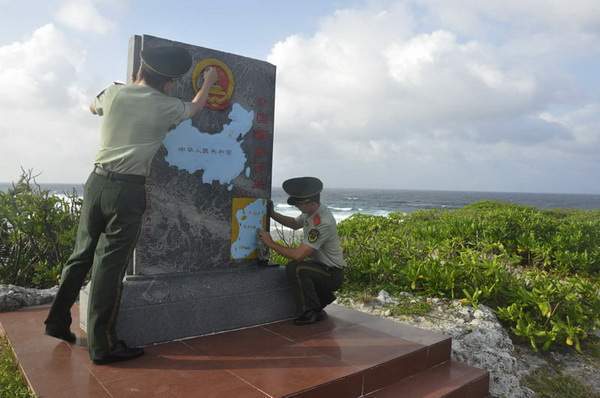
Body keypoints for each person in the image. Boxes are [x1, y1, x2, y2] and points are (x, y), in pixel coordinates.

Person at [44, 46, 219, 365]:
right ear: (168, 83)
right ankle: (102, 345)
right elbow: (194, 109)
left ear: (140, 70)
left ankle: (57, 320)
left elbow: (90, 105)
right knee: (109, 267)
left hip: (96, 183)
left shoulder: (112, 93)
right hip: (127, 192)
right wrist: (208, 82)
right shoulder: (166, 105)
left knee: (81, 255)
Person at [258, 177, 346, 325]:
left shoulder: (322, 222)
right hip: (322, 268)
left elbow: (298, 255)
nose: (297, 207)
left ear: (311, 202)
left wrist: (271, 243)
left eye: (300, 204)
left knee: (297, 268)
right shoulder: (311, 212)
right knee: (301, 267)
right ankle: (323, 298)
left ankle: (310, 311)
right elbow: (294, 223)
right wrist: (272, 214)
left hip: (332, 273)